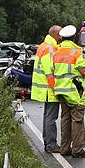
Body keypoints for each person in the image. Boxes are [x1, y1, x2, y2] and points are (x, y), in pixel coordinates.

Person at [52, 25, 85, 158]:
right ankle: (78, 149)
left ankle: (64, 148)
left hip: (61, 90)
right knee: (77, 120)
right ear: (74, 38)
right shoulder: (77, 53)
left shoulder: (56, 52)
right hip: (75, 91)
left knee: (65, 119)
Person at [31, 25, 61, 153]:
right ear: (54, 34)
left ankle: (47, 142)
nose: (61, 37)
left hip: (45, 88)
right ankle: (51, 144)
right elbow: (49, 72)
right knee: (51, 117)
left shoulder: (45, 46)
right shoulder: (49, 49)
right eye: (60, 34)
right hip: (49, 88)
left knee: (47, 116)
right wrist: (55, 89)